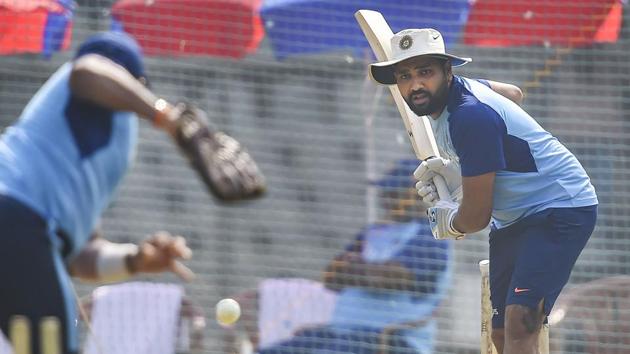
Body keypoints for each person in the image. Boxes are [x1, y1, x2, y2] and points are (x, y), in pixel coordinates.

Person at [0, 31, 265, 354]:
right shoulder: (75, 81)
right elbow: (88, 71)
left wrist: (136, 259)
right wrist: (168, 117)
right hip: (12, 216)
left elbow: (82, 256)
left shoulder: (119, 146)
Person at [368, 28, 598, 353]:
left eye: (425, 72)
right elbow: (515, 93)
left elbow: (475, 218)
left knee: (522, 325)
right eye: (404, 75)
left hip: (559, 207)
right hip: (513, 219)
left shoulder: (469, 116)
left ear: (448, 72)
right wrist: (467, 170)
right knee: (502, 335)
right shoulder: (459, 94)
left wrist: (449, 221)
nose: (415, 85)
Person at [254, 159, 453, 354]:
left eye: (393, 192)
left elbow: (392, 278)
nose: (385, 199)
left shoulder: (430, 234)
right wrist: (366, 271)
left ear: (416, 194)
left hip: (390, 338)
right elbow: (331, 278)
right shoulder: (374, 232)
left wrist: (357, 270)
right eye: (385, 192)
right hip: (342, 332)